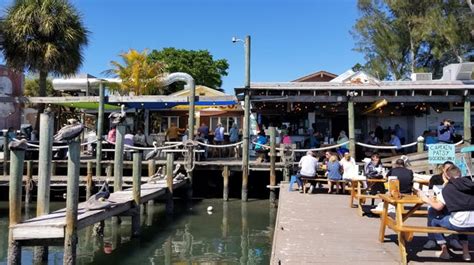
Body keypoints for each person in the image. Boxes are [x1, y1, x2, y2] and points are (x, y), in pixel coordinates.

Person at [418, 166, 474, 261]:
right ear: (460, 174)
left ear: (447, 176)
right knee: (460, 218)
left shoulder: (448, 188)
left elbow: (438, 207)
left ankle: (444, 251)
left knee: (435, 221)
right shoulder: (471, 185)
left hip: (459, 223)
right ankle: (466, 253)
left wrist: (425, 199)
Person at [423, 161, 463, 250]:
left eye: (450, 169)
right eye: (447, 169)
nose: (448, 171)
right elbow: (430, 191)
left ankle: (453, 239)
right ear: (443, 169)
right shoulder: (435, 178)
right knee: (431, 210)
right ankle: (432, 239)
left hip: (451, 204)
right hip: (438, 200)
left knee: (452, 213)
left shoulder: (456, 180)